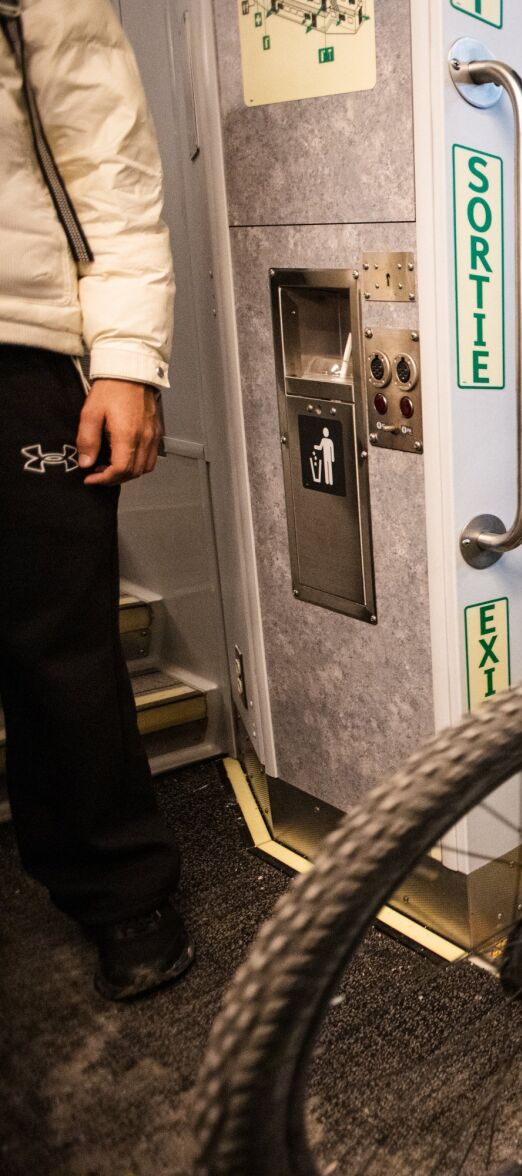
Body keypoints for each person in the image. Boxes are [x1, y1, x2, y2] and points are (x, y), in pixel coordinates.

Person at [0, 0, 189, 999]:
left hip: (17, 339)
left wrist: (126, 358)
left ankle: (119, 888)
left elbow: (103, 146)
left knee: (58, 647)